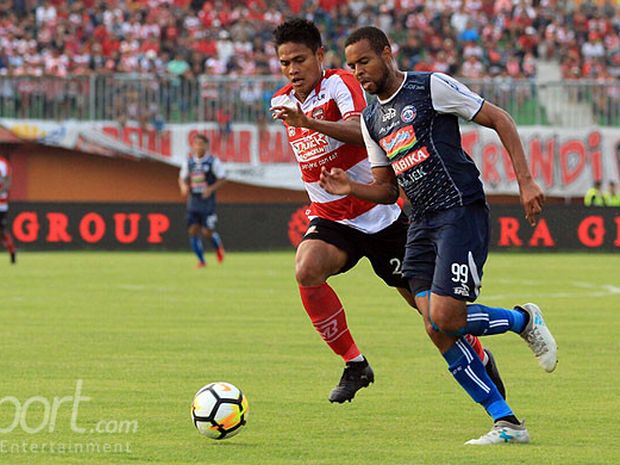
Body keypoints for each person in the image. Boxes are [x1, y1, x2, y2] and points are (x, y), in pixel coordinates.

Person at [320, 26, 558, 444]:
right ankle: (507, 422)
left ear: (387, 54)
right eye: (352, 65)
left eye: (365, 61)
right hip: (422, 222)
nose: (359, 72)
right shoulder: (373, 120)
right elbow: (388, 189)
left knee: (446, 316)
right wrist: (350, 187)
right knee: (434, 327)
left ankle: (523, 319)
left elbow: (498, 118)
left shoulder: (429, 87)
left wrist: (525, 181)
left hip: (459, 209)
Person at [270, 18, 507, 405]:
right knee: (306, 268)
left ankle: (480, 354)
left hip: (380, 215)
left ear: (319, 56)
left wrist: (310, 122)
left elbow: (361, 130)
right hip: (331, 218)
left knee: (430, 311)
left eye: (299, 59)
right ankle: (354, 364)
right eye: (284, 63)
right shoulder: (283, 101)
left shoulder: (341, 85)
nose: (292, 70)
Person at [178, 134, 227, 268]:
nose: (198, 146)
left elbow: (222, 178)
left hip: (207, 202)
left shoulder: (212, 161)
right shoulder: (189, 162)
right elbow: (182, 178)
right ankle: (201, 260)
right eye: (196, 144)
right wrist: (183, 186)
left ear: (206, 146)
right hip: (193, 201)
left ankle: (218, 247)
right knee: (193, 230)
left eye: (201, 144)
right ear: (193, 146)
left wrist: (210, 189)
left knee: (207, 232)